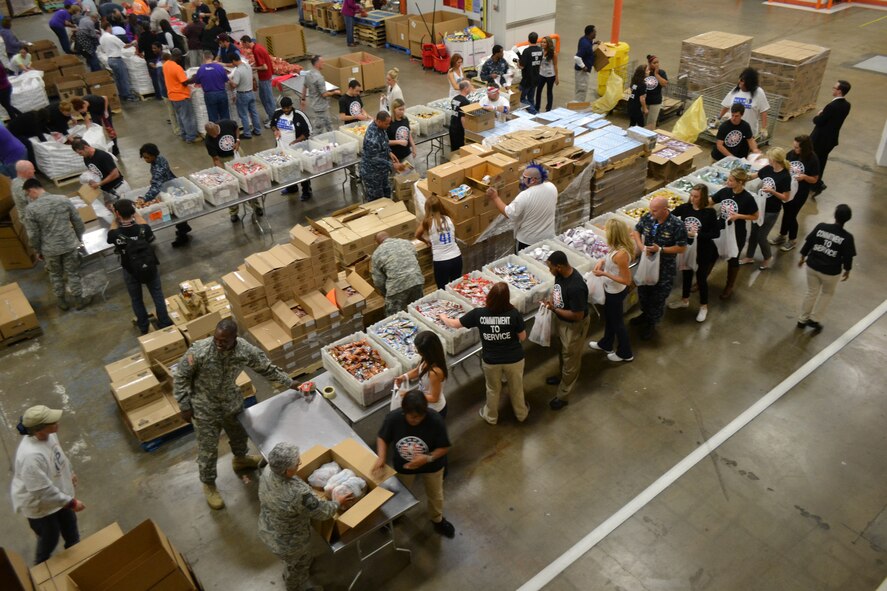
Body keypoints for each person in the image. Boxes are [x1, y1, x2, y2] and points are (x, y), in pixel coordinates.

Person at [173, 317, 297, 509]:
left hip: (231, 402)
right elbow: (181, 376)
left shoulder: (245, 350)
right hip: (204, 406)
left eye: (224, 341)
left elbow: (266, 368)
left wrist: (290, 383)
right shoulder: (200, 350)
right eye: (216, 339)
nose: (219, 344)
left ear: (234, 338)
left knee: (239, 435)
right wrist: (184, 405)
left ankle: (240, 459)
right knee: (208, 449)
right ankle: (209, 484)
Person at [258, 443, 352, 591]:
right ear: (286, 471)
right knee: (297, 567)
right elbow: (323, 513)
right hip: (291, 543)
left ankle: (296, 566)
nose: (299, 464)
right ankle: (295, 586)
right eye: (297, 463)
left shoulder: (267, 470)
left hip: (267, 527)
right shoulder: (298, 493)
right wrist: (337, 502)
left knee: (294, 562)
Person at [442, 282, 528, 424]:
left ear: (490, 297)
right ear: (507, 298)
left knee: (493, 389)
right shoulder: (514, 314)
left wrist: (443, 317)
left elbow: (455, 324)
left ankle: (491, 416)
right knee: (517, 388)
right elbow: (523, 337)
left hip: (491, 360)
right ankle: (521, 414)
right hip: (514, 359)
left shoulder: (479, 314)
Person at [373, 390, 455, 538]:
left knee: (435, 494)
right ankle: (396, 515)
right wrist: (381, 457)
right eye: (413, 417)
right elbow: (382, 437)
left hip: (432, 467)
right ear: (404, 412)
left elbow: (444, 447)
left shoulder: (435, 420)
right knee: (401, 493)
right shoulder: (394, 418)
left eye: (420, 417)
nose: (416, 420)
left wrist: (427, 458)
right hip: (405, 467)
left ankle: (437, 519)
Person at [11, 405, 85, 564]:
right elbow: (42, 492)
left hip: (58, 494)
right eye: (52, 422)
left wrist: (69, 472)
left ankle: (78, 559)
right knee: (50, 536)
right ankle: (41, 567)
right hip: (40, 505)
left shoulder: (48, 435)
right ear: (39, 430)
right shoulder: (30, 456)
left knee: (71, 528)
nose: (57, 422)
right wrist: (71, 502)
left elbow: (58, 453)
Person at [22, 179, 92, 310]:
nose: (29, 197)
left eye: (28, 194)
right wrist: (78, 238)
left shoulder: (31, 209)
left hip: (49, 249)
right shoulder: (63, 199)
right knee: (73, 273)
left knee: (55, 274)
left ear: (32, 190)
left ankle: (62, 302)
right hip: (69, 244)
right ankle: (79, 300)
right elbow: (78, 222)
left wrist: (38, 250)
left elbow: (33, 235)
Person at [107, 198, 175, 333]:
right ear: (133, 212)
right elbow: (145, 227)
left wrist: (116, 218)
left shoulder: (115, 234)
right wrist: (134, 213)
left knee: (136, 299)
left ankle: (143, 326)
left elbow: (111, 234)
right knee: (157, 294)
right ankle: (164, 322)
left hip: (130, 269)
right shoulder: (144, 229)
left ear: (118, 214)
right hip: (149, 266)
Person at [629, 196, 688, 340]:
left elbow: (681, 248)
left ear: (665, 209)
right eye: (651, 209)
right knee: (643, 291)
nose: (651, 212)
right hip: (647, 264)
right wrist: (641, 246)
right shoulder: (648, 217)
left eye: (655, 210)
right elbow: (637, 230)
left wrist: (661, 249)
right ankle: (645, 314)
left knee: (658, 297)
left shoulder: (677, 225)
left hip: (664, 268)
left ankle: (651, 323)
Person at [797, 204, 855, 333]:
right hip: (830, 272)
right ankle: (814, 319)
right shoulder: (847, 238)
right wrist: (847, 270)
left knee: (811, 292)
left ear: (835, 215)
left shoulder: (821, 227)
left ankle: (802, 319)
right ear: (848, 219)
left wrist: (802, 257)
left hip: (812, 266)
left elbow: (808, 242)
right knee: (827, 293)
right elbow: (848, 257)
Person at [545, 250, 590, 411]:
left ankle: (563, 395)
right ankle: (561, 376)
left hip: (573, 327)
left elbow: (578, 315)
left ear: (559, 267)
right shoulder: (560, 275)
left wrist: (554, 310)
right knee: (563, 352)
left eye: (550, 267)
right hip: (562, 321)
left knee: (571, 359)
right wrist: (551, 302)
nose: (549, 271)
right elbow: (556, 290)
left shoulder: (576, 286)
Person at [668, 184, 719, 323]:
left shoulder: (709, 213)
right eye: (691, 195)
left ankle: (704, 306)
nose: (692, 198)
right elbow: (670, 215)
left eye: (696, 196)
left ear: (703, 197)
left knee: (701, 278)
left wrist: (696, 234)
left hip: (703, 250)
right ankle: (684, 300)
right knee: (686, 273)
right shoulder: (686, 208)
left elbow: (715, 233)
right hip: (687, 248)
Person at [588, 217, 635, 360]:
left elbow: (627, 280)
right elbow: (610, 258)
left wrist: (604, 273)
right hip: (611, 289)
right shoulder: (616, 247)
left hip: (616, 292)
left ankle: (625, 353)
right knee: (609, 319)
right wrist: (602, 260)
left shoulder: (621, 255)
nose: (605, 232)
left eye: (607, 230)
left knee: (617, 323)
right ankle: (606, 343)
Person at [486, 162, 557, 251]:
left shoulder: (525, 196)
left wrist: (495, 197)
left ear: (533, 180)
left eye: (524, 177)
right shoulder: (552, 187)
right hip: (548, 238)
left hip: (528, 241)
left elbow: (508, 213)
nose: (521, 179)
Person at [711, 168, 759, 300]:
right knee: (712, 254)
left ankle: (729, 286)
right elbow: (711, 201)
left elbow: (755, 216)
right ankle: (701, 281)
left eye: (731, 180)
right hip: (720, 229)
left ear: (740, 182)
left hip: (736, 233)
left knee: (733, 258)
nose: (728, 182)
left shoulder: (747, 198)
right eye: (728, 179)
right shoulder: (725, 191)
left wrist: (739, 216)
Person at [742, 147, 792, 270]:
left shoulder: (785, 176)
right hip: (759, 207)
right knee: (753, 233)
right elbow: (753, 176)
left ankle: (768, 257)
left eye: (769, 158)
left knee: (761, 236)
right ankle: (749, 256)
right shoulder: (768, 169)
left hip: (771, 211)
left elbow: (786, 197)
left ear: (775, 160)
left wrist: (772, 191)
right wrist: (739, 177)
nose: (768, 160)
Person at [138, 143, 192, 247]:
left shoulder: (158, 167)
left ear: (154, 155)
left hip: (171, 191)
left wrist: (144, 199)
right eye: (144, 157)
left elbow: (155, 187)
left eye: (147, 157)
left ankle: (183, 235)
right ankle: (184, 227)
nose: (145, 159)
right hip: (170, 185)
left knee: (176, 213)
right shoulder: (159, 159)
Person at [773, 135, 820, 252]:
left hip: (800, 193)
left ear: (804, 148)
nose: (795, 149)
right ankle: (782, 235)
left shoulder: (813, 159)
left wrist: (804, 177)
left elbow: (814, 179)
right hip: (789, 189)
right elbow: (784, 166)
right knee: (786, 212)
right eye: (794, 146)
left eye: (797, 147)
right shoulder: (791, 154)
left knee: (791, 215)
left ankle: (792, 239)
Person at [809, 80, 851, 197]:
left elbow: (818, 121)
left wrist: (819, 114)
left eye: (834, 88)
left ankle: (816, 184)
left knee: (814, 161)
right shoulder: (847, 105)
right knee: (821, 161)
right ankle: (817, 183)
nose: (832, 89)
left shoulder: (831, 106)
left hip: (820, 139)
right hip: (831, 140)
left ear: (839, 91)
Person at [393, 331, 448, 417]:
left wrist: (409, 394)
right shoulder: (427, 360)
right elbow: (418, 370)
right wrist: (404, 377)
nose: (417, 352)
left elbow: (434, 398)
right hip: (424, 405)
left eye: (418, 350)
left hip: (434, 411)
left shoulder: (435, 373)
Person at [415, 194, 462, 288]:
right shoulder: (449, 219)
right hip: (456, 257)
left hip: (441, 261)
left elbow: (417, 235)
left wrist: (426, 241)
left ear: (427, 209)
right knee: (456, 288)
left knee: (442, 289)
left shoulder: (427, 222)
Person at [371, 231, 424, 314]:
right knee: (418, 309)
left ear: (377, 242)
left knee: (394, 317)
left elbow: (378, 281)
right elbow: (415, 259)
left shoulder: (377, 254)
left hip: (396, 287)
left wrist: (386, 293)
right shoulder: (406, 243)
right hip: (417, 280)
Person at [271, 96, 312, 200]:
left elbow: (308, 132)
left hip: (297, 148)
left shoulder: (299, 115)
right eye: (283, 108)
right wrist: (275, 130)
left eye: (288, 108)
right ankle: (291, 187)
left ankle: (306, 191)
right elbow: (272, 124)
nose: (286, 110)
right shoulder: (277, 113)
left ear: (291, 106)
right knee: (287, 169)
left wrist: (296, 141)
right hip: (282, 148)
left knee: (301, 169)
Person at [360, 111, 406, 201]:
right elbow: (374, 158)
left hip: (382, 171)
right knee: (377, 201)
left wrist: (389, 152)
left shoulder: (381, 128)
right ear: (379, 121)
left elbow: (384, 142)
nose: (388, 126)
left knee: (387, 196)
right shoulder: (372, 138)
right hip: (372, 174)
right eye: (386, 124)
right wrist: (392, 165)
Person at [719, 67, 770, 138]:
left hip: (749, 132)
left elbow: (763, 111)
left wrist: (764, 128)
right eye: (740, 79)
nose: (739, 82)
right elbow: (726, 106)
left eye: (742, 80)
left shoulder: (759, 92)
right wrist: (718, 118)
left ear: (749, 83)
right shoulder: (735, 91)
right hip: (732, 131)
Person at [163, 48, 200, 143]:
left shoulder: (166, 65)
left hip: (172, 96)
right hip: (181, 96)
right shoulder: (177, 67)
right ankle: (191, 137)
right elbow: (184, 82)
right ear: (178, 57)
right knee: (188, 117)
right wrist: (194, 78)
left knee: (180, 117)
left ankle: (184, 134)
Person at [239, 36, 276, 125]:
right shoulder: (257, 46)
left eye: (243, 44)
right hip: (265, 77)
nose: (243, 46)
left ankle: (273, 119)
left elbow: (264, 67)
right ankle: (271, 116)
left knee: (267, 99)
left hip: (265, 77)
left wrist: (252, 68)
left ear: (246, 42)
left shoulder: (256, 50)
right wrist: (251, 65)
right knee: (263, 97)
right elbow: (261, 62)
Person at [99, 21, 139, 101]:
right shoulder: (111, 37)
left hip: (110, 59)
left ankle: (122, 94)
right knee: (124, 78)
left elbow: (103, 49)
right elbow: (124, 46)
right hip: (116, 59)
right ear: (108, 27)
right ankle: (129, 96)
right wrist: (133, 43)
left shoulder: (101, 38)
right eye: (111, 28)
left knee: (118, 79)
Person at [303, 55, 340, 134]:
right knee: (319, 128)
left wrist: (303, 99)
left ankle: (332, 137)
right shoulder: (319, 78)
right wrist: (334, 92)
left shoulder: (308, 74)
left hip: (314, 104)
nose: (324, 64)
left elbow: (304, 86)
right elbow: (324, 94)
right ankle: (314, 141)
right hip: (321, 107)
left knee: (329, 124)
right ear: (317, 64)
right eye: (322, 62)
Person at [189, 50, 231, 121]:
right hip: (222, 93)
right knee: (225, 115)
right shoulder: (220, 67)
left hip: (209, 95)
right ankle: (227, 131)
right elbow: (226, 79)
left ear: (203, 58)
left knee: (213, 116)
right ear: (212, 57)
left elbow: (197, 81)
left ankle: (216, 131)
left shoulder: (201, 69)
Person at [228, 53, 262, 138]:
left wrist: (229, 80)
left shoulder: (238, 71)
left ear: (233, 61)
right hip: (251, 92)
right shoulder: (248, 66)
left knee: (243, 115)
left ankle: (247, 133)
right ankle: (257, 130)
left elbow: (235, 85)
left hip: (242, 94)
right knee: (254, 113)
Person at [574, 24, 599, 102]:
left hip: (582, 71)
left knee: (581, 89)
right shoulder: (586, 45)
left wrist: (594, 43)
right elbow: (577, 57)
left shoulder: (584, 39)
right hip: (582, 72)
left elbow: (589, 44)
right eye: (594, 31)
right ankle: (578, 106)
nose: (596, 33)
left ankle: (578, 105)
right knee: (582, 90)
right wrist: (583, 67)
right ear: (590, 33)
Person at [518, 32, 542, 113]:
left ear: (528, 40)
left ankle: (534, 112)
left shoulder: (526, 51)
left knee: (520, 98)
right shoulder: (540, 50)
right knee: (531, 98)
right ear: (537, 40)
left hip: (527, 79)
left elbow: (521, 66)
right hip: (536, 77)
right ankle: (533, 115)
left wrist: (518, 62)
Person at [386, 99, 416, 165]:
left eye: (403, 109)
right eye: (400, 109)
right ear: (394, 109)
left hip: (406, 153)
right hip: (394, 156)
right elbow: (385, 142)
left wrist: (413, 146)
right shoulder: (389, 123)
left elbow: (408, 133)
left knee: (410, 173)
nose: (402, 112)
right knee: (397, 175)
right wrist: (399, 142)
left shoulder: (405, 119)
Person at [644, 54, 668, 130]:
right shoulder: (645, 72)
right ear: (649, 64)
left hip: (655, 102)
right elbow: (639, 85)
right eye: (654, 63)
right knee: (643, 122)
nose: (657, 64)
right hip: (644, 101)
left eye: (657, 62)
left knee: (651, 122)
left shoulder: (661, 73)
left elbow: (664, 84)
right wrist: (646, 75)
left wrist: (656, 74)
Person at [535, 36, 558, 113]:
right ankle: (537, 107)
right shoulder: (540, 51)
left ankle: (548, 109)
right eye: (542, 42)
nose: (542, 43)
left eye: (544, 42)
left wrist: (556, 77)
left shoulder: (553, 53)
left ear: (548, 43)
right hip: (541, 74)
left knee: (549, 91)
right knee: (538, 90)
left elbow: (555, 65)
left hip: (550, 75)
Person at [448, 80, 471, 151]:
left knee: (454, 148)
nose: (470, 88)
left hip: (452, 126)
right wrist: (466, 131)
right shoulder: (465, 102)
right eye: (469, 86)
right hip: (459, 129)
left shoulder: (454, 99)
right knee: (460, 149)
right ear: (466, 88)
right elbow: (462, 118)